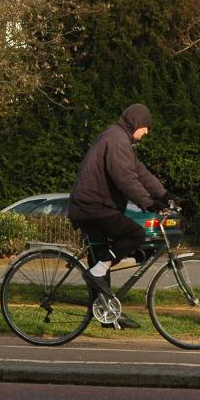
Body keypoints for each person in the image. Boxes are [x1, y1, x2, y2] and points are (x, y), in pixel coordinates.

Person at [68, 103, 168, 329]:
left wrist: (164, 193)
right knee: (135, 234)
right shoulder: (116, 140)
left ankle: (106, 313)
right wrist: (149, 203)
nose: (147, 132)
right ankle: (99, 274)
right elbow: (125, 179)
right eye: (146, 127)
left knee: (103, 256)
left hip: (95, 206)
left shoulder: (119, 139)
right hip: (92, 207)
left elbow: (140, 172)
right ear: (136, 123)